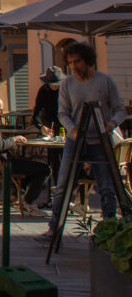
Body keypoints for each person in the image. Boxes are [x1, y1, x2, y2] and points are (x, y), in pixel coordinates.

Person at [36, 42, 127, 244]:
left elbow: (120, 110)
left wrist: (111, 125)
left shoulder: (105, 81)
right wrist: (73, 129)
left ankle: (109, 230)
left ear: (87, 61)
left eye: (77, 61)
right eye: (70, 62)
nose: (74, 66)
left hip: (100, 141)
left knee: (106, 188)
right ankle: (54, 229)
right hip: (75, 141)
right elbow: (62, 113)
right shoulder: (67, 84)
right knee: (63, 186)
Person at [0, 95, 50, 212]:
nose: (1, 113)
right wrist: (14, 140)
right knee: (45, 169)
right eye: (0, 110)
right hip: (1, 165)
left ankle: (15, 197)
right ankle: (28, 202)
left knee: (29, 165)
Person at [32, 65, 64, 207]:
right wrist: (41, 127)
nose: (55, 87)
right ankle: (54, 197)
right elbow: (36, 116)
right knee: (54, 162)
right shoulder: (43, 92)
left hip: (65, 128)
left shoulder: (65, 91)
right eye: (52, 84)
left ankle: (66, 196)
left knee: (67, 163)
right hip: (51, 129)